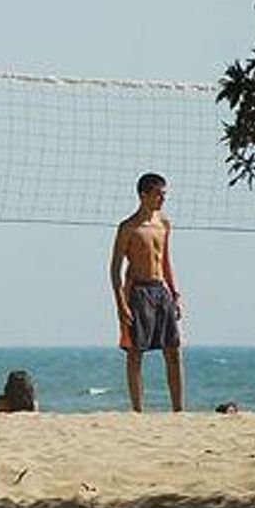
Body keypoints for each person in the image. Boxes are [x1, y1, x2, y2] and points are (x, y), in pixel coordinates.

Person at [109, 172, 184, 412]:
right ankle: (138, 410)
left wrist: (175, 293)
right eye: (158, 194)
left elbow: (166, 262)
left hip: (160, 290)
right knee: (135, 353)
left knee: (173, 350)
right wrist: (121, 304)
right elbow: (115, 269)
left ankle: (178, 409)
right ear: (144, 195)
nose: (162, 199)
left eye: (164, 194)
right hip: (138, 291)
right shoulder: (129, 227)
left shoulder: (164, 224)